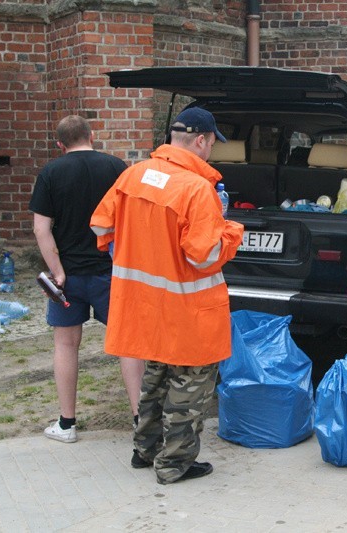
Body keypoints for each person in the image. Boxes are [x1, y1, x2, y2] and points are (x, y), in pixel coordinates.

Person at [90, 107, 244, 485]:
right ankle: (175, 463)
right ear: (201, 141)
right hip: (188, 310)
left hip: (143, 306)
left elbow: (100, 226)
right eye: (211, 144)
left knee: (155, 380)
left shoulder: (133, 175)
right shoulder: (196, 189)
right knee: (189, 387)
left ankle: (144, 451)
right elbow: (203, 256)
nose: (210, 151)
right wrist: (231, 231)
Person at [29, 115, 144, 444]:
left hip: (69, 279)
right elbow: (134, 219)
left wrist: (58, 270)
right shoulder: (116, 167)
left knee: (66, 346)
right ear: (92, 136)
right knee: (127, 344)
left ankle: (67, 424)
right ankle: (141, 419)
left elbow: (41, 229)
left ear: (60, 144)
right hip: (112, 274)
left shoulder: (50, 172)